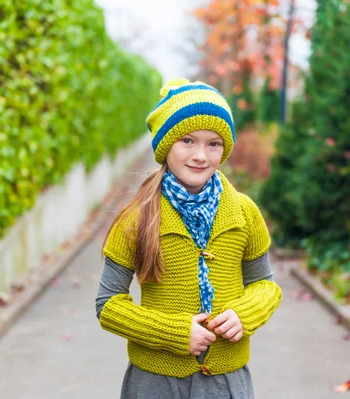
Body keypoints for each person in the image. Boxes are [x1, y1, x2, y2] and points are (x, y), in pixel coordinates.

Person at [95, 78, 283, 399]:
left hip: (225, 383)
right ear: (166, 145)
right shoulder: (137, 218)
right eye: (187, 141)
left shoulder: (243, 212)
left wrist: (244, 314)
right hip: (155, 382)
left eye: (214, 144)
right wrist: (174, 333)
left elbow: (265, 285)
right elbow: (108, 305)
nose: (200, 155)